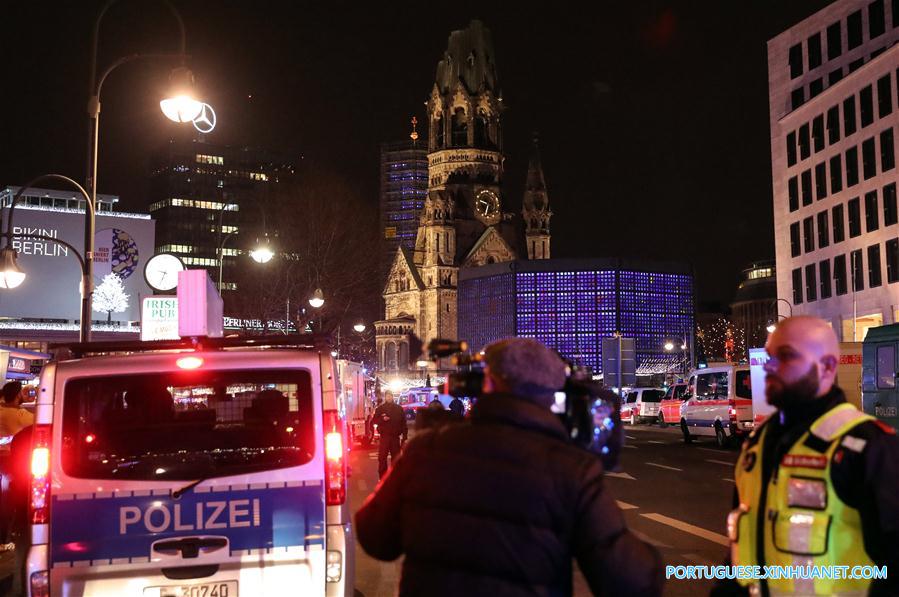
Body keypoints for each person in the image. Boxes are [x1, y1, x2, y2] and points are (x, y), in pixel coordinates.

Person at [356, 337, 662, 596]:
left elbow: (375, 538)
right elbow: (629, 581)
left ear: (485, 384)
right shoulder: (571, 469)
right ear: (554, 395)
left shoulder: (425, 449)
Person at [719, 316, 899, 596]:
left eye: (786, 356)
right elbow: (741, 554)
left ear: (827, 367)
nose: (769, 366)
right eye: (769, 356)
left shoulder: (867, 446)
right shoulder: (757, 443)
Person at [371, 392, 407, 479]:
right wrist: (382, 419)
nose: (389, 397)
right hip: (384, 437)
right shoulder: (381, 408)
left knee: (396, 459)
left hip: (395, 437)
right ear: (385, 397)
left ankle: (396, 477)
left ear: (392, 397)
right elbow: (374, 421)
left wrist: (404, 437)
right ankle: (383, 477)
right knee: (382, 458)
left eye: (390, 396)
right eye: (387, 396)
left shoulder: (399, 409)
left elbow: (403, 424)